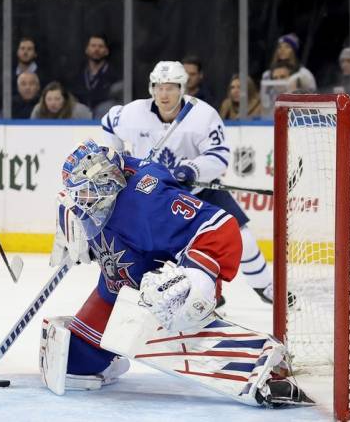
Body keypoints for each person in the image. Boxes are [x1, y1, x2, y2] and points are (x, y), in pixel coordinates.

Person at [40, 139, 312, 407]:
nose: (81, 199)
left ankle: (256, 362)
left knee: (169, 300)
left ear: (107, 178)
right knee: (73, 364)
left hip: (164, 287)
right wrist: (77, 230)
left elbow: (220, 226)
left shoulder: (147, 199)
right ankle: (112, 349)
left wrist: (200, 275)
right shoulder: (98, 193)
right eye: (78, 192)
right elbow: (84, 206)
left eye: (85, 192)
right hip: (118, 285)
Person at [99, 61, 283, 307]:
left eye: (171, 88)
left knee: (242, 237)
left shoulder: (203, 115)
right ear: (151, 88)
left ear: (182, 88)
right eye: (158, 87)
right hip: (154, 194)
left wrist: (192, 168)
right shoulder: (134, 113)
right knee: (160, 249)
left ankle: (264, 286)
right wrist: (120, 160)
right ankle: (201, 293)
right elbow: (108, 122)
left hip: (198, 188)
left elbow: (219, 156)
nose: (164, 94)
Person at [71, 34, 120, 119]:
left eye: (100, 46)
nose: (96, 49)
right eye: (93, 46)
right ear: (87, 50)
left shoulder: (116, 74)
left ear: (106, 51)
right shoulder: (77, 73)